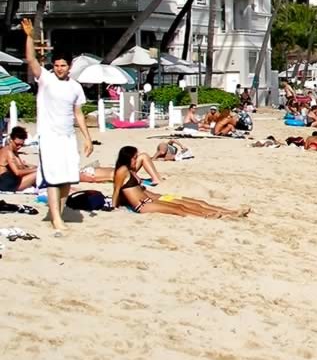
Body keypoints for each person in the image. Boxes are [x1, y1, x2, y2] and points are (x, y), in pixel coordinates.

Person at [22, 18, 93, 233]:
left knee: (67, 179)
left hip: (68, 137)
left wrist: (87, 138)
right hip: (49, 136)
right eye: (57, 65)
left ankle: (58, 213)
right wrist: (29, 36)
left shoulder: (75, 87)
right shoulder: (45, 78)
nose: (59, 68)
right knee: (53, 178)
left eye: (63, 65)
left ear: (69, 66)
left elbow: (78, 114)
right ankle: (56, 220)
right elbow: (31, 59)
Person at [111, 146, 248, 218]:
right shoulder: (122, 171)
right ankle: (206, 216)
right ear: (128, 158)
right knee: (179, 208)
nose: (137, 160)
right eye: (135, 157)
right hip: (144, 205)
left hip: (153, 198)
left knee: (197, 202)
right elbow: (117, 190)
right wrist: (113, 207)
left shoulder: (130, 170)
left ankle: (229, 212)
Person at [0, 125, 39, 192]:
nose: (19, 147)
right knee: (37, 173)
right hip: (6, 183)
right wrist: (37, 169)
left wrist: (31, 167)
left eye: (22, 145)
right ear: (11, 140)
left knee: (34, 170)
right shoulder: (8, 152)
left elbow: (22, 167)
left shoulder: (12, 150)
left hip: (8, 180)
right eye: (17, 144)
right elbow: (17, 172)